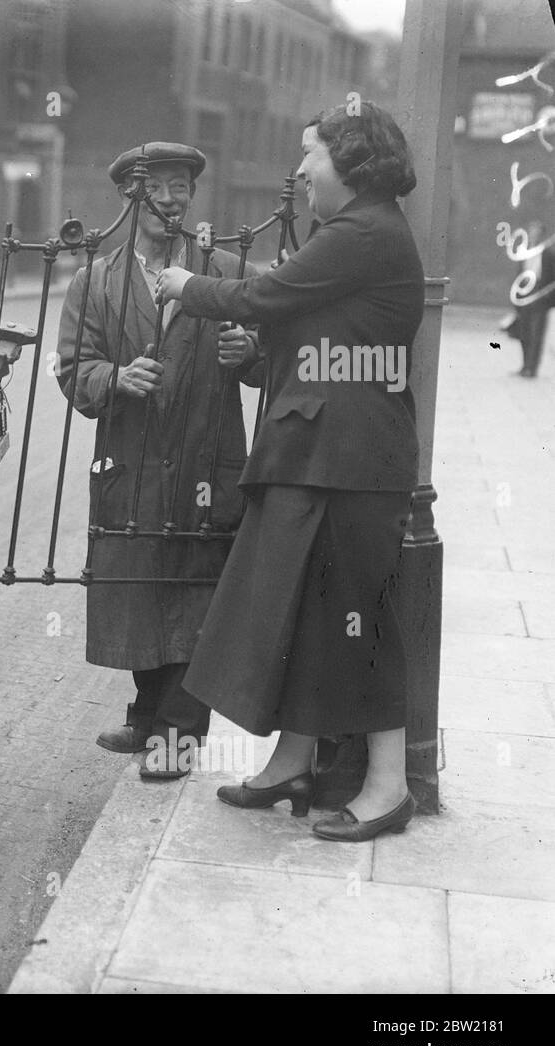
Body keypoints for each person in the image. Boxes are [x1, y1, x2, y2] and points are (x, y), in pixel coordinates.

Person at [156, 103, 422, 840]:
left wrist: (182, 283)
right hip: (324, 456)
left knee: (360, 620)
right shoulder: (361, 231)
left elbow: (263, 295)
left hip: (351, 462)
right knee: (306, 612)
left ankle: (390, 788)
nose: (300, 170)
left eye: (312, 154)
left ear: (353, 160)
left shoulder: (363, 231)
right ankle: (292, 762)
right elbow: (315, 332)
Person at [55, 141, 259, 780]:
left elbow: (267, 355)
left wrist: (245, 355)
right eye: (158, 189)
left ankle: (179, 736)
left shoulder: (223, 268)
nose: (171, 201)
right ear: (128, 197)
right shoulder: (95, 280)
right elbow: (70, 368)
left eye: (181, 190)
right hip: (132, 461)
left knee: (196, 589)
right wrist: (114, 378)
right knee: (140, 582)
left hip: (205, 457)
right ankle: (146, 714)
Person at [511, 220, 554, 377]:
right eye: (531, 232)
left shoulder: (548, 254)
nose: (533, 235)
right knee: (524, 333)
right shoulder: (523, 252)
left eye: (537, 233)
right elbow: (518, 276)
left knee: (537, 334)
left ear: (542, 235)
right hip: (524, 297)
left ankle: (532, 368)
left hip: (540, 299)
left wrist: (547, 297)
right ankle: (524, 366)